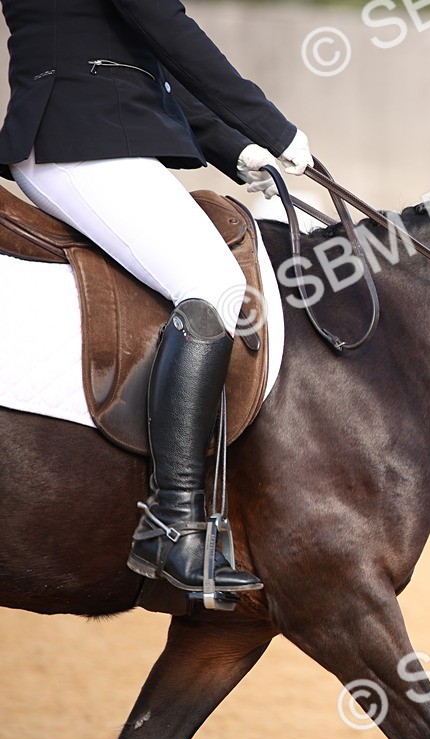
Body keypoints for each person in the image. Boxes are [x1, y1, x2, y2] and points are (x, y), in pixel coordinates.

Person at [0, 0, 314, 596]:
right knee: (216, 292)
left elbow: (139, 46)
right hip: (80, 138)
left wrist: (234, 145)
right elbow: (167, 26)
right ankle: (172, 526)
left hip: (90, 131)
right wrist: (271, 126)